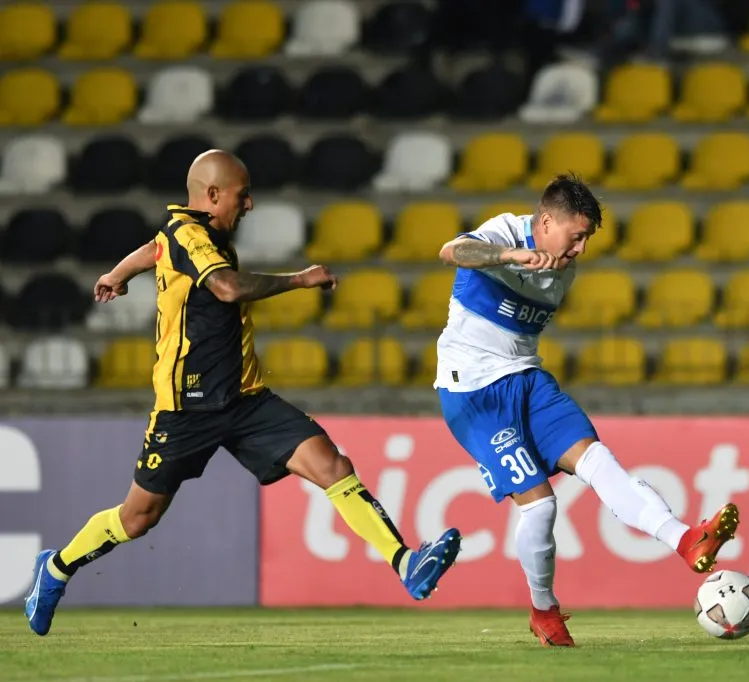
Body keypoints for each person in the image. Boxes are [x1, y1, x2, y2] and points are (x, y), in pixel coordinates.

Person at [24, 150, 462, 637]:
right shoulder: (190, 236)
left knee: (332, 465)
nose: (249, 204)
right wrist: (299, 279)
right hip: (185, 409)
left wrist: (116, 274)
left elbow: (152, 250)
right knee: (137, 518)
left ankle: (405, 563)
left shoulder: (194, 235)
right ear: (212, 196)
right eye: (241, 194)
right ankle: (57, 568)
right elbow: (228, 289)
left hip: (245, 397)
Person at [433, 173, 739, 647]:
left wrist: (530, 262)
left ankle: (685, 540)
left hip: (526, 379)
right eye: (576, 237)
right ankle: (543, 611)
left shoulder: (562, 268)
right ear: (546, 221)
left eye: (586, 240)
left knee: (599, 461)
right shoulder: (503, 232)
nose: (580, 250)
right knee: (540, 508)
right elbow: (452, 252)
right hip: (473, 391)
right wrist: (509, 255)